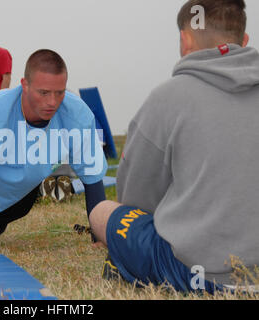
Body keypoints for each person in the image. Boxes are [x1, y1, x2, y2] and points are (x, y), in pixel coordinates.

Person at [89, 0, 259, 294]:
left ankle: (126, 267)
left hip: (197, 273)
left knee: (102, 212)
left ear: (185, 39)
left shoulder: (167, 98)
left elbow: (136, 201)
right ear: (243, 42)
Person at [0, 49, 108, 256]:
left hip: (21, 186)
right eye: (43, 92)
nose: (52, 102)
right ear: (25, 85)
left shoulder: (77, 115)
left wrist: (100, 239)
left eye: (59, 92)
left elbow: (92, 178)